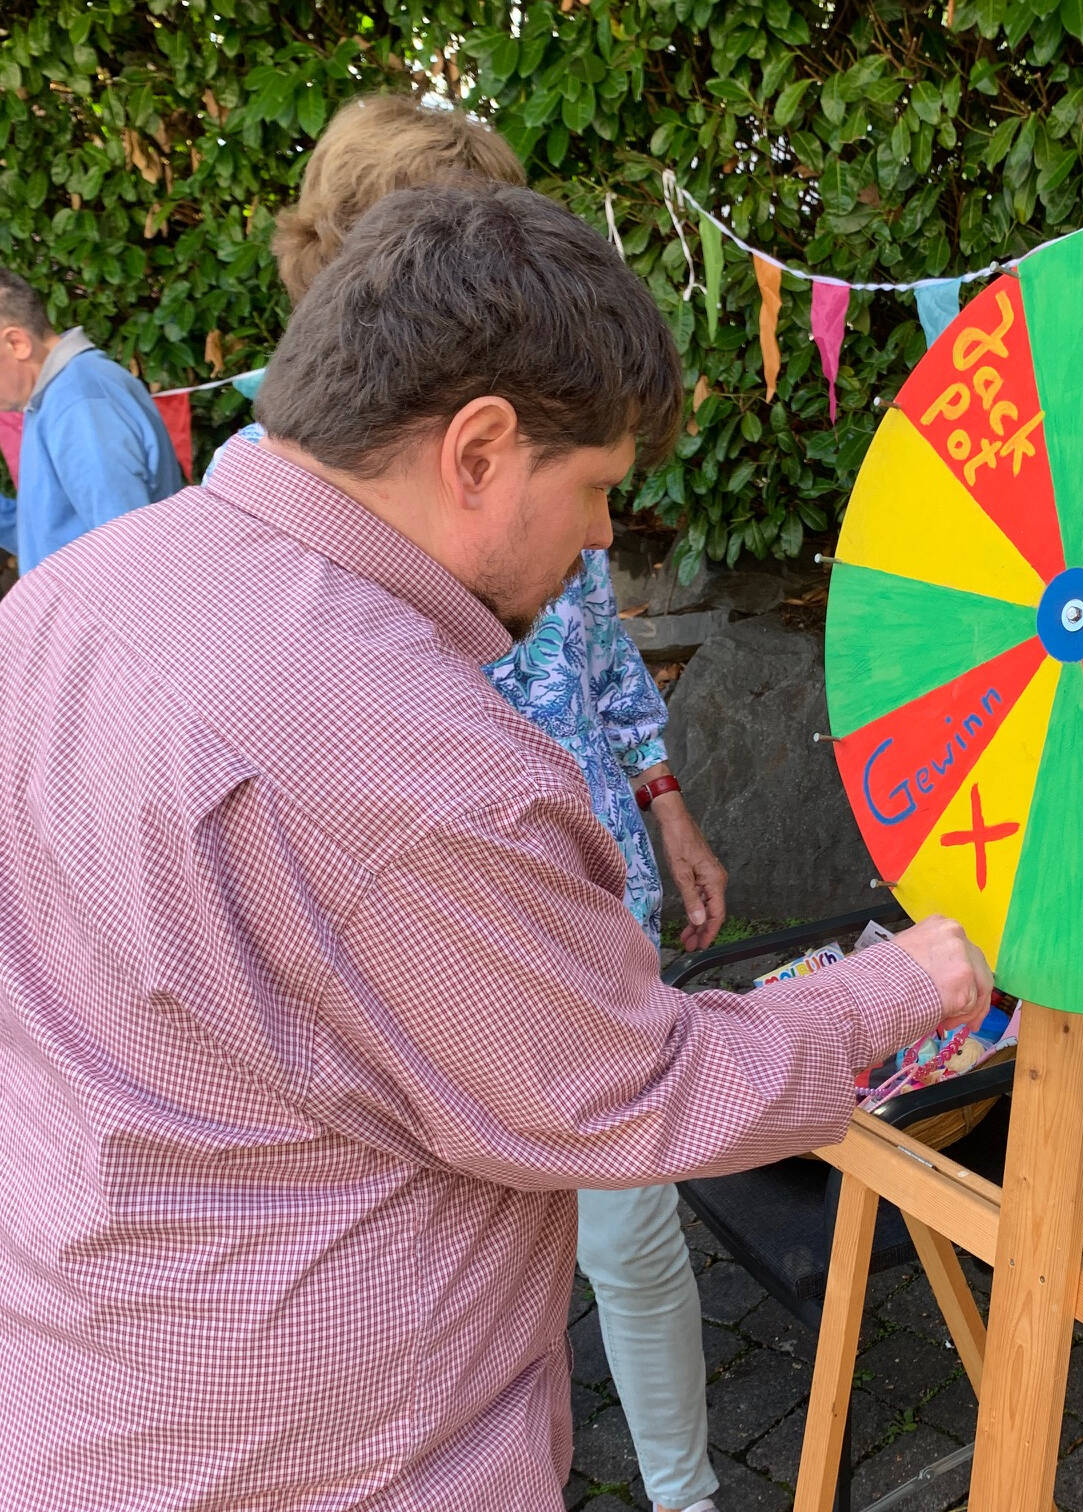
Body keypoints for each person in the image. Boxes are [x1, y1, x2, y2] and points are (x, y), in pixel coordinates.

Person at [0, 181, 995, 1512]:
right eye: (591, 490)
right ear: (475, 453)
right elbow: (626, 1087)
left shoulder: (67, 598)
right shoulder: (417, 768)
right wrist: (900, 989)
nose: (600, 537)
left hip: (84, 1399)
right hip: (337, 1464)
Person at [208, 91, 731, 1512]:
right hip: (415, 976)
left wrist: (662, 791)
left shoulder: (528, 450)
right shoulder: (260, 490)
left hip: (587, 905)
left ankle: (683, 1491)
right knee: (448, 1274)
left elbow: (592, 634)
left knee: (633, 1233)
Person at [0, 268, 182, 573]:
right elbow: (50, 537)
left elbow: (129, 557)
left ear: (17, 343)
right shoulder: (53, 397)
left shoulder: (79, 405)